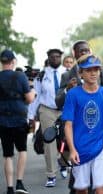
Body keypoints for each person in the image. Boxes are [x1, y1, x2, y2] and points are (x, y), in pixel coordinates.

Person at [55, 40, 103, 194]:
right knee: (80, 188)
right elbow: (59, 103)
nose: (93, 73)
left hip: (98, 141)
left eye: (96, 70)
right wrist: (68, 89)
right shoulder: (68, 78)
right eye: (88, 70)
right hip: (78, 141)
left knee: (101, 188)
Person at [28, 48, 67, 187]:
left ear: (61, 58)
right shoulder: (42, 74)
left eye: (57, 56)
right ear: (48, 58)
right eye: (52, 57)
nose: (55, 59)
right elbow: (36, 96)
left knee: (67, 139)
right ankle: (51, 175)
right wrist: (31, 115)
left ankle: (63, 162)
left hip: (65, 110)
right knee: (49, 141)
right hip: (47, 110)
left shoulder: (67, 73)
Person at [0, 49, 35, 194]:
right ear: (13, 61)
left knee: (7, 155)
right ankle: (19, 183)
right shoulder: (20, 76)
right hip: (20, 120)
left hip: (2, 121)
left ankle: (9, 188)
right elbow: (29, 99)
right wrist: (32, 89)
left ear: (2, 62)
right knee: (22, 150)